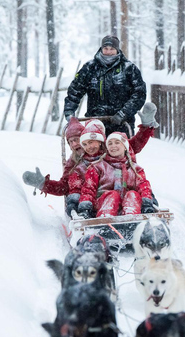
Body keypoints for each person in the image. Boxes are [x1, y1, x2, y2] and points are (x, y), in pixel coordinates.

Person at [21, 103, 160, 215]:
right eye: (71, 142)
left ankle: (141, 210)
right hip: (95, 200)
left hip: (124, 191)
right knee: (109, 197)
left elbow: (134, 145)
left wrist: (146, 127)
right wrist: (44, 184)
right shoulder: (75, 164)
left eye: (77, 139)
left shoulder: (111, 149)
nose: (75, 144)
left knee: (136, 187)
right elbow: (64, 187)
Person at [63, 35, 146, 137]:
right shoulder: (90, 68)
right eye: (105, 48)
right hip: (95, 122)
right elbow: (75, 90)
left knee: (118, 151)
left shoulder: (129, 69)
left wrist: (123, 113)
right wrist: (69, 112)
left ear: (117, 50)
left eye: (112, 49)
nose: (108, 52)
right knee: (93, 151)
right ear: (101, 49)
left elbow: (139, 94)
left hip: (121, 123)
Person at [77, 131, 156, 218]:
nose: (113, 146)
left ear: (125, 147)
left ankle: (130, 221)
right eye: (110, 143)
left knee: (132, 194)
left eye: (117, 142)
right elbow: (88, 189)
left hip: (129, 204)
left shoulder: (135, 169)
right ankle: (105, 221)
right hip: (103, 204)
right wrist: (85, 207)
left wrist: (147, 202)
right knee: (113, 195)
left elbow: (143, 186)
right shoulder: (98, 167)